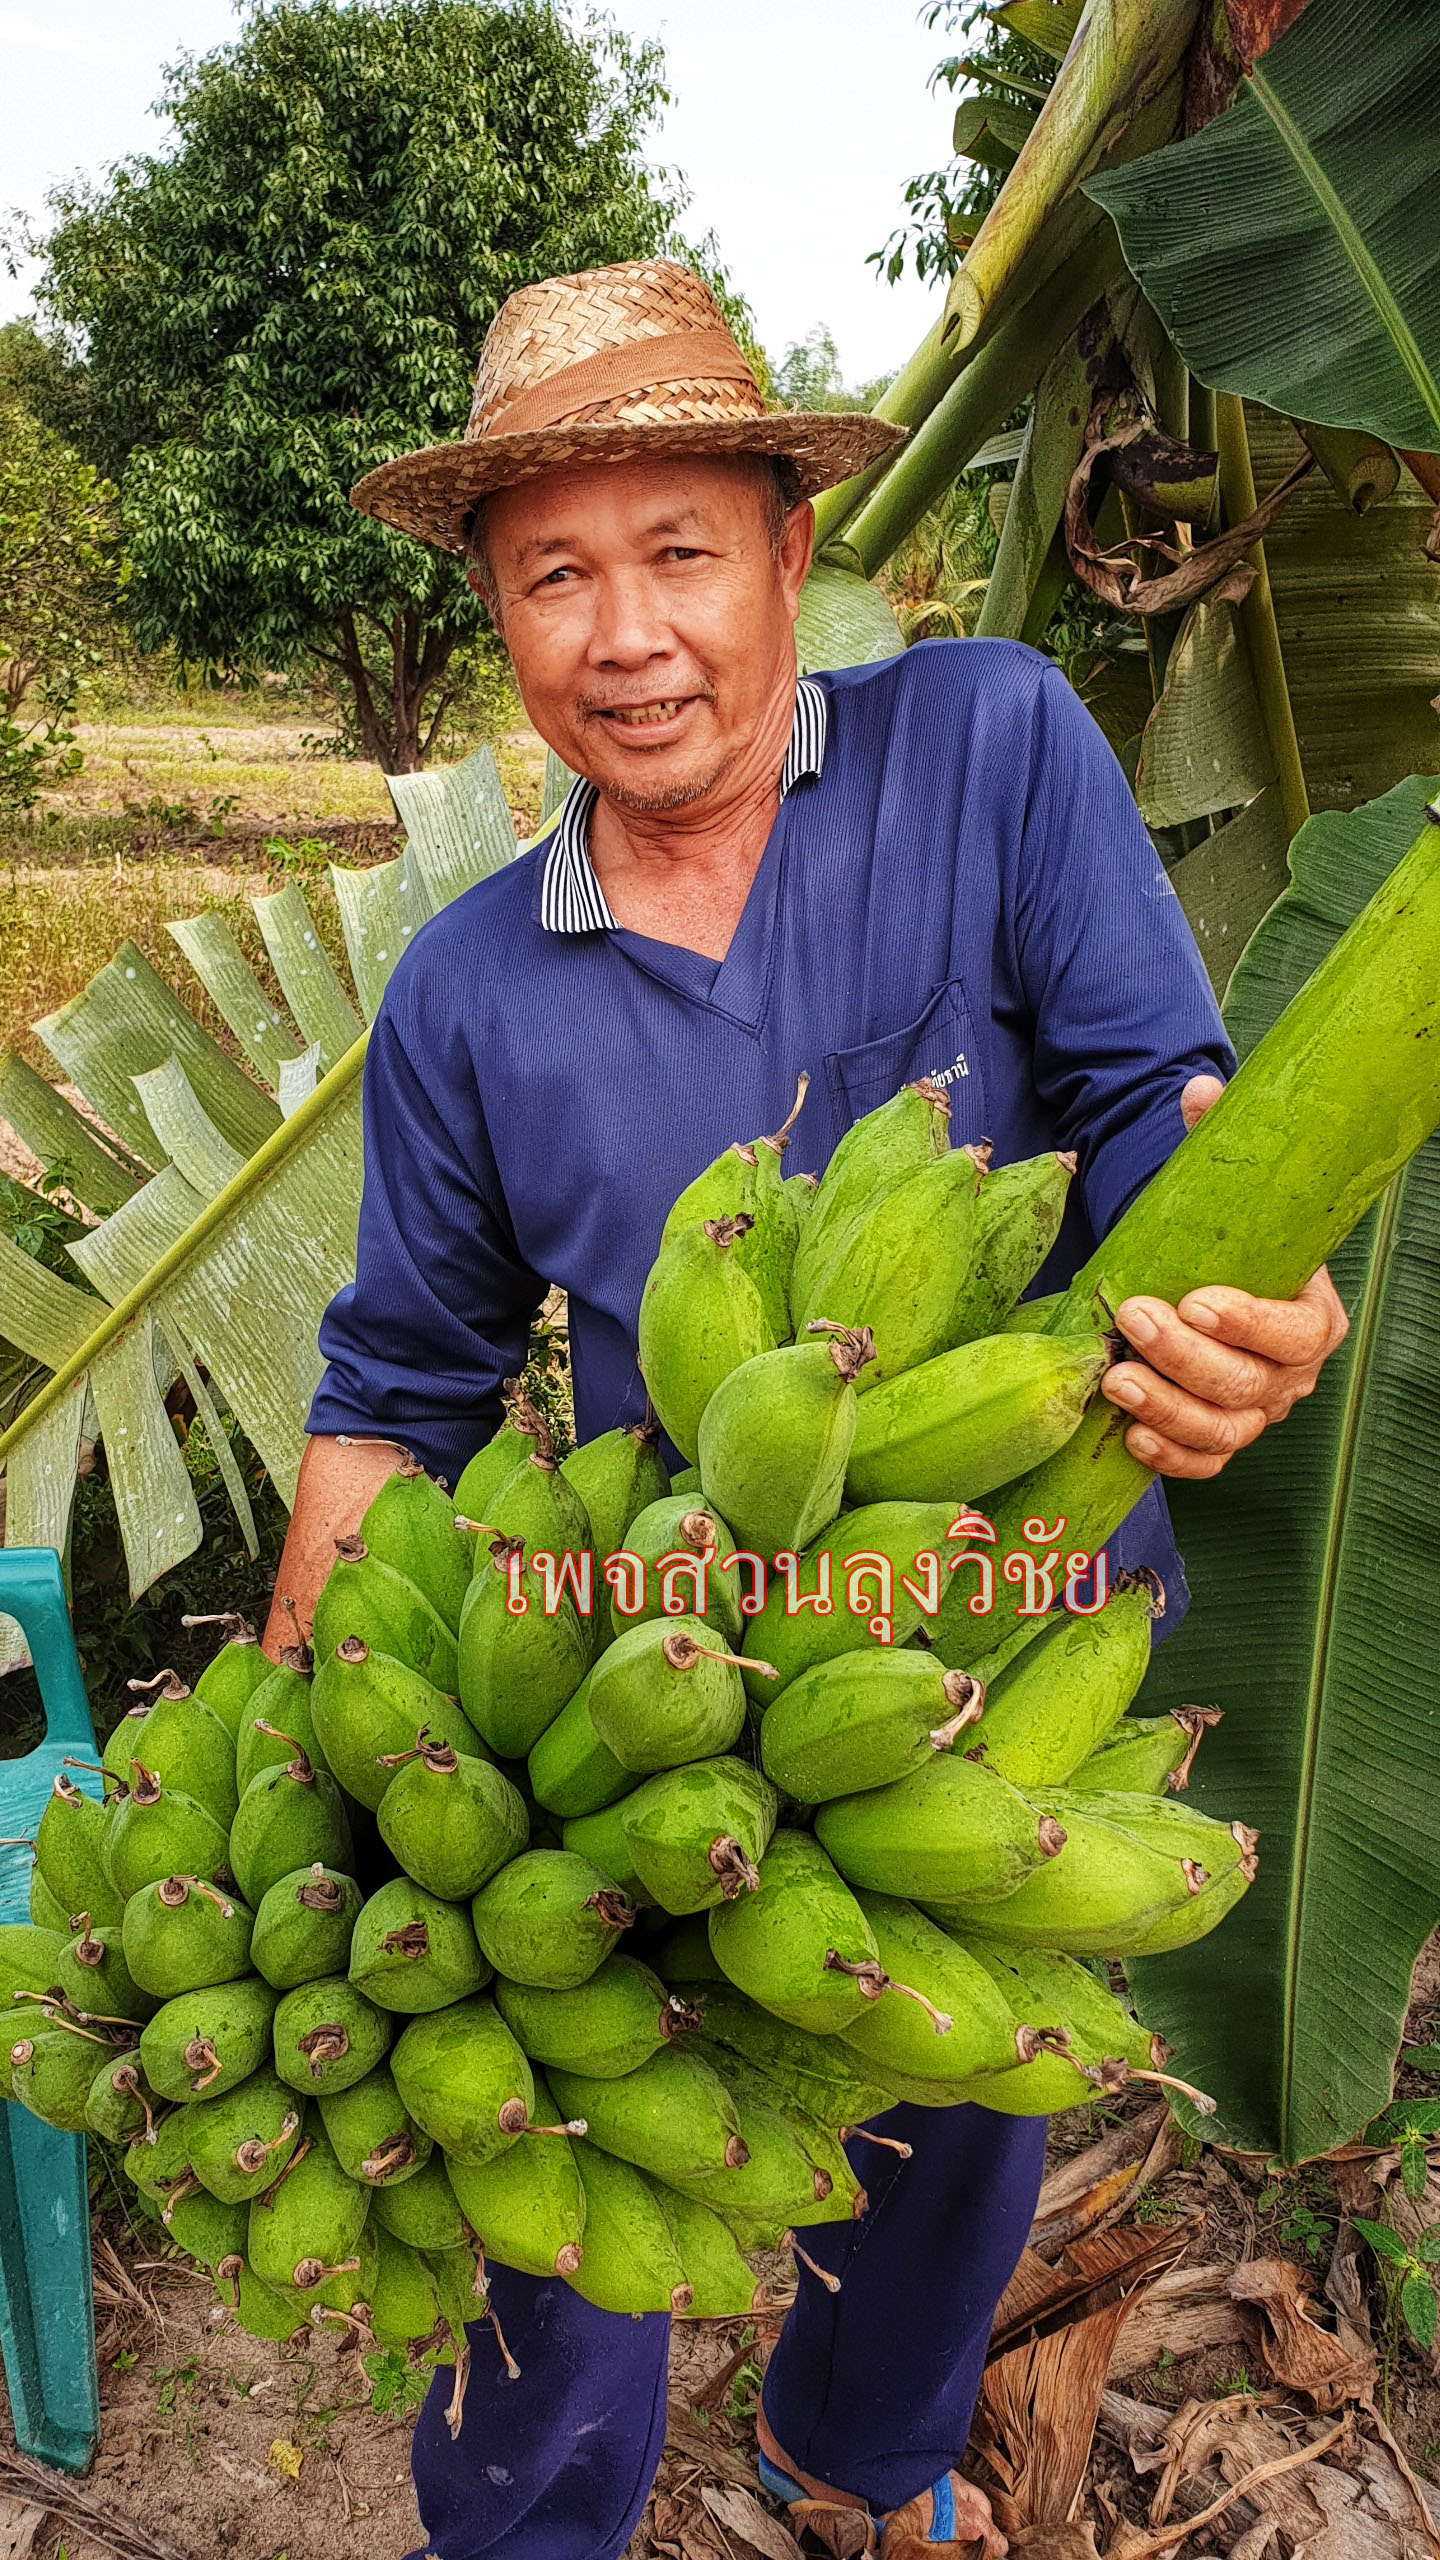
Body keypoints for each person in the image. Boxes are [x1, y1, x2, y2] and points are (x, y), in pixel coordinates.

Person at [267, 260, 1348, 2560]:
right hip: (636, 1663)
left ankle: (858, 2442)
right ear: (496, 612)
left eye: (679, 549)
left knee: (953, 2075)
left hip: (1009, 1598)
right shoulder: (466, 994)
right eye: (555, 574)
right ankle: (529, 2522)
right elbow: (403, 1382)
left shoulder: (993, 743)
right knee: (564, 2121)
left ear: (788, 545)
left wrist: (1265, 1294)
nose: (627, 633)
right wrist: (303, 1725)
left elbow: (1162, 1120)